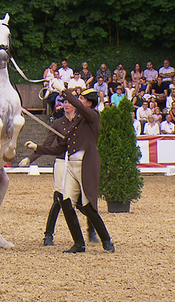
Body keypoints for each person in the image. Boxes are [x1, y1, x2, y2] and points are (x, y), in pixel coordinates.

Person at [27, 88, 114, 253]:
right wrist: (37, 147)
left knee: (88, 207)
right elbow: (60, 148)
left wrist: (64, 91)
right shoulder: (78, 122)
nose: (78, 101)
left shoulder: (93, 115)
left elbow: (79, 108)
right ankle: (79, 243)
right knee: (66, 202)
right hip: (71, 165)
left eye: (81, 98)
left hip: (85, 165)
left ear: (89, 102)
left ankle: (106, 240)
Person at [20, 95, 99, 246]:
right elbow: (48, 144)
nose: (67, 104)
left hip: (79, 162)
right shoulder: (57, 123)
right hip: (62, 161)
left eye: (70, 102)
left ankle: (92, 229)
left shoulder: (82, 120)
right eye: (65, 102)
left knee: (85, 198)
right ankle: (48, 234)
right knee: (59, 198)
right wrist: (31, 158)